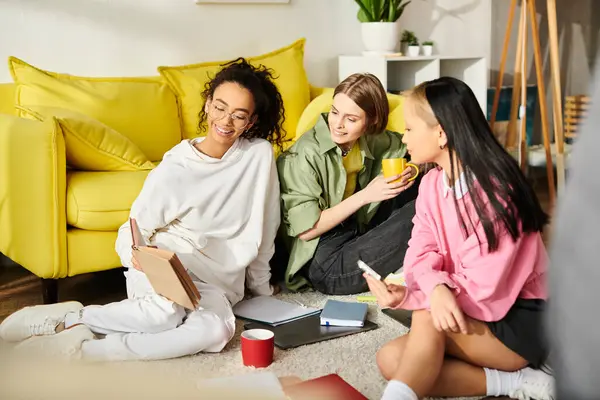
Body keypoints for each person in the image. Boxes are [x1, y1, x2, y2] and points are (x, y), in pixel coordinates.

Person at [0, 58, 285, 361]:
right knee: (163, 316)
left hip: (214, 283)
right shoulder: (176, 167)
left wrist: (261, 288)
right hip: (168, 264)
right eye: (220, 107)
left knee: (215, 333)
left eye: (239, 115)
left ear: (251, 122)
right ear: (207, 104)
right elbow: (134, 228)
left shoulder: (258, 156)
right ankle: (69, 319)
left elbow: (264, 228)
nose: (226, 121)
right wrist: (135, 256)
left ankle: (87, 352)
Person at [365, 77, 555, 400]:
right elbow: (417, 256)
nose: (403, 136)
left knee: (425, 318)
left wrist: (425, 294)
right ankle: (519, 382)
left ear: (441, 133)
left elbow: (485, 288)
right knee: (391, 359)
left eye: (410, 128)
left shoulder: (498, 193)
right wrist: (420, 290)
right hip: (466, 306)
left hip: (518, 320)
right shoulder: (430, 187)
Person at [277, 73, 419, 295]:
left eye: (351, 119)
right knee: (427, 209)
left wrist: (412, 169)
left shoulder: (368, 138)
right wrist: (367, 195)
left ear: (371, 121)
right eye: (334, 112)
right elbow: (305, 231)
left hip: (358, 231)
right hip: (325, 263)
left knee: (426, 184)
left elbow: (407, 147)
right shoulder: (304, 155)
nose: (338, 125)